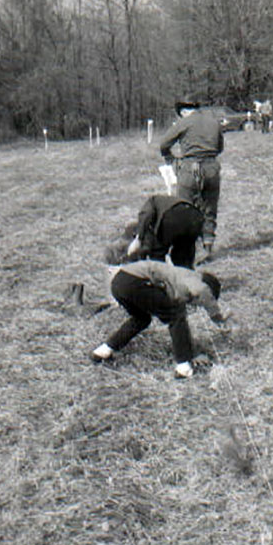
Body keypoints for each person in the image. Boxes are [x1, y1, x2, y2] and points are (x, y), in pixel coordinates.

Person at [92, 257, 230, 378]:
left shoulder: (178, 279)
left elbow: (172, 309)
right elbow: (202, 290)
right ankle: (184, 367)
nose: (196, 304)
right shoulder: (194, 278)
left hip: (118, 283)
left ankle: (103, 351)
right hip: (135, 280)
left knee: (141, 319)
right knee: (176, 316)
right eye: (198, 302)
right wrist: (217, 317)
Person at [159, 97, 223, 260]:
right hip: (211, 168)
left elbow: (164, 144)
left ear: (183, 111)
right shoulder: (213, 122)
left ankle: (186, 251)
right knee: (209, 208)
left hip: (190, 168)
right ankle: (208, 247)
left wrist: (171, 159)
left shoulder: (184, 122)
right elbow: (220, 147)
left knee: (184, 209)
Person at [132, 193, 204, 269]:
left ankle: (159, 276)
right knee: (183, 258)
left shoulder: (152, 201)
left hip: (172, 216)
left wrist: (138, 238)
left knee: (157, 254)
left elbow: (146, 216)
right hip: (195, 217)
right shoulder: (167, 201)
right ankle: (187, 276)